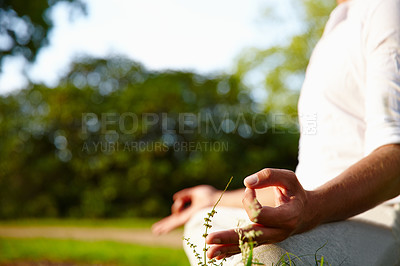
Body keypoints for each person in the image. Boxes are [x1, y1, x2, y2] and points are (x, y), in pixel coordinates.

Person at [152, 0, 400, 264]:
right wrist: (214, 197)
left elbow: (395, 155)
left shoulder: (385, 8)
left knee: (266, 256)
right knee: (204, 221)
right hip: (324, 212)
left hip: (380, 216)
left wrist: (312, 209)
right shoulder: (338, 23)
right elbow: (306, 193)